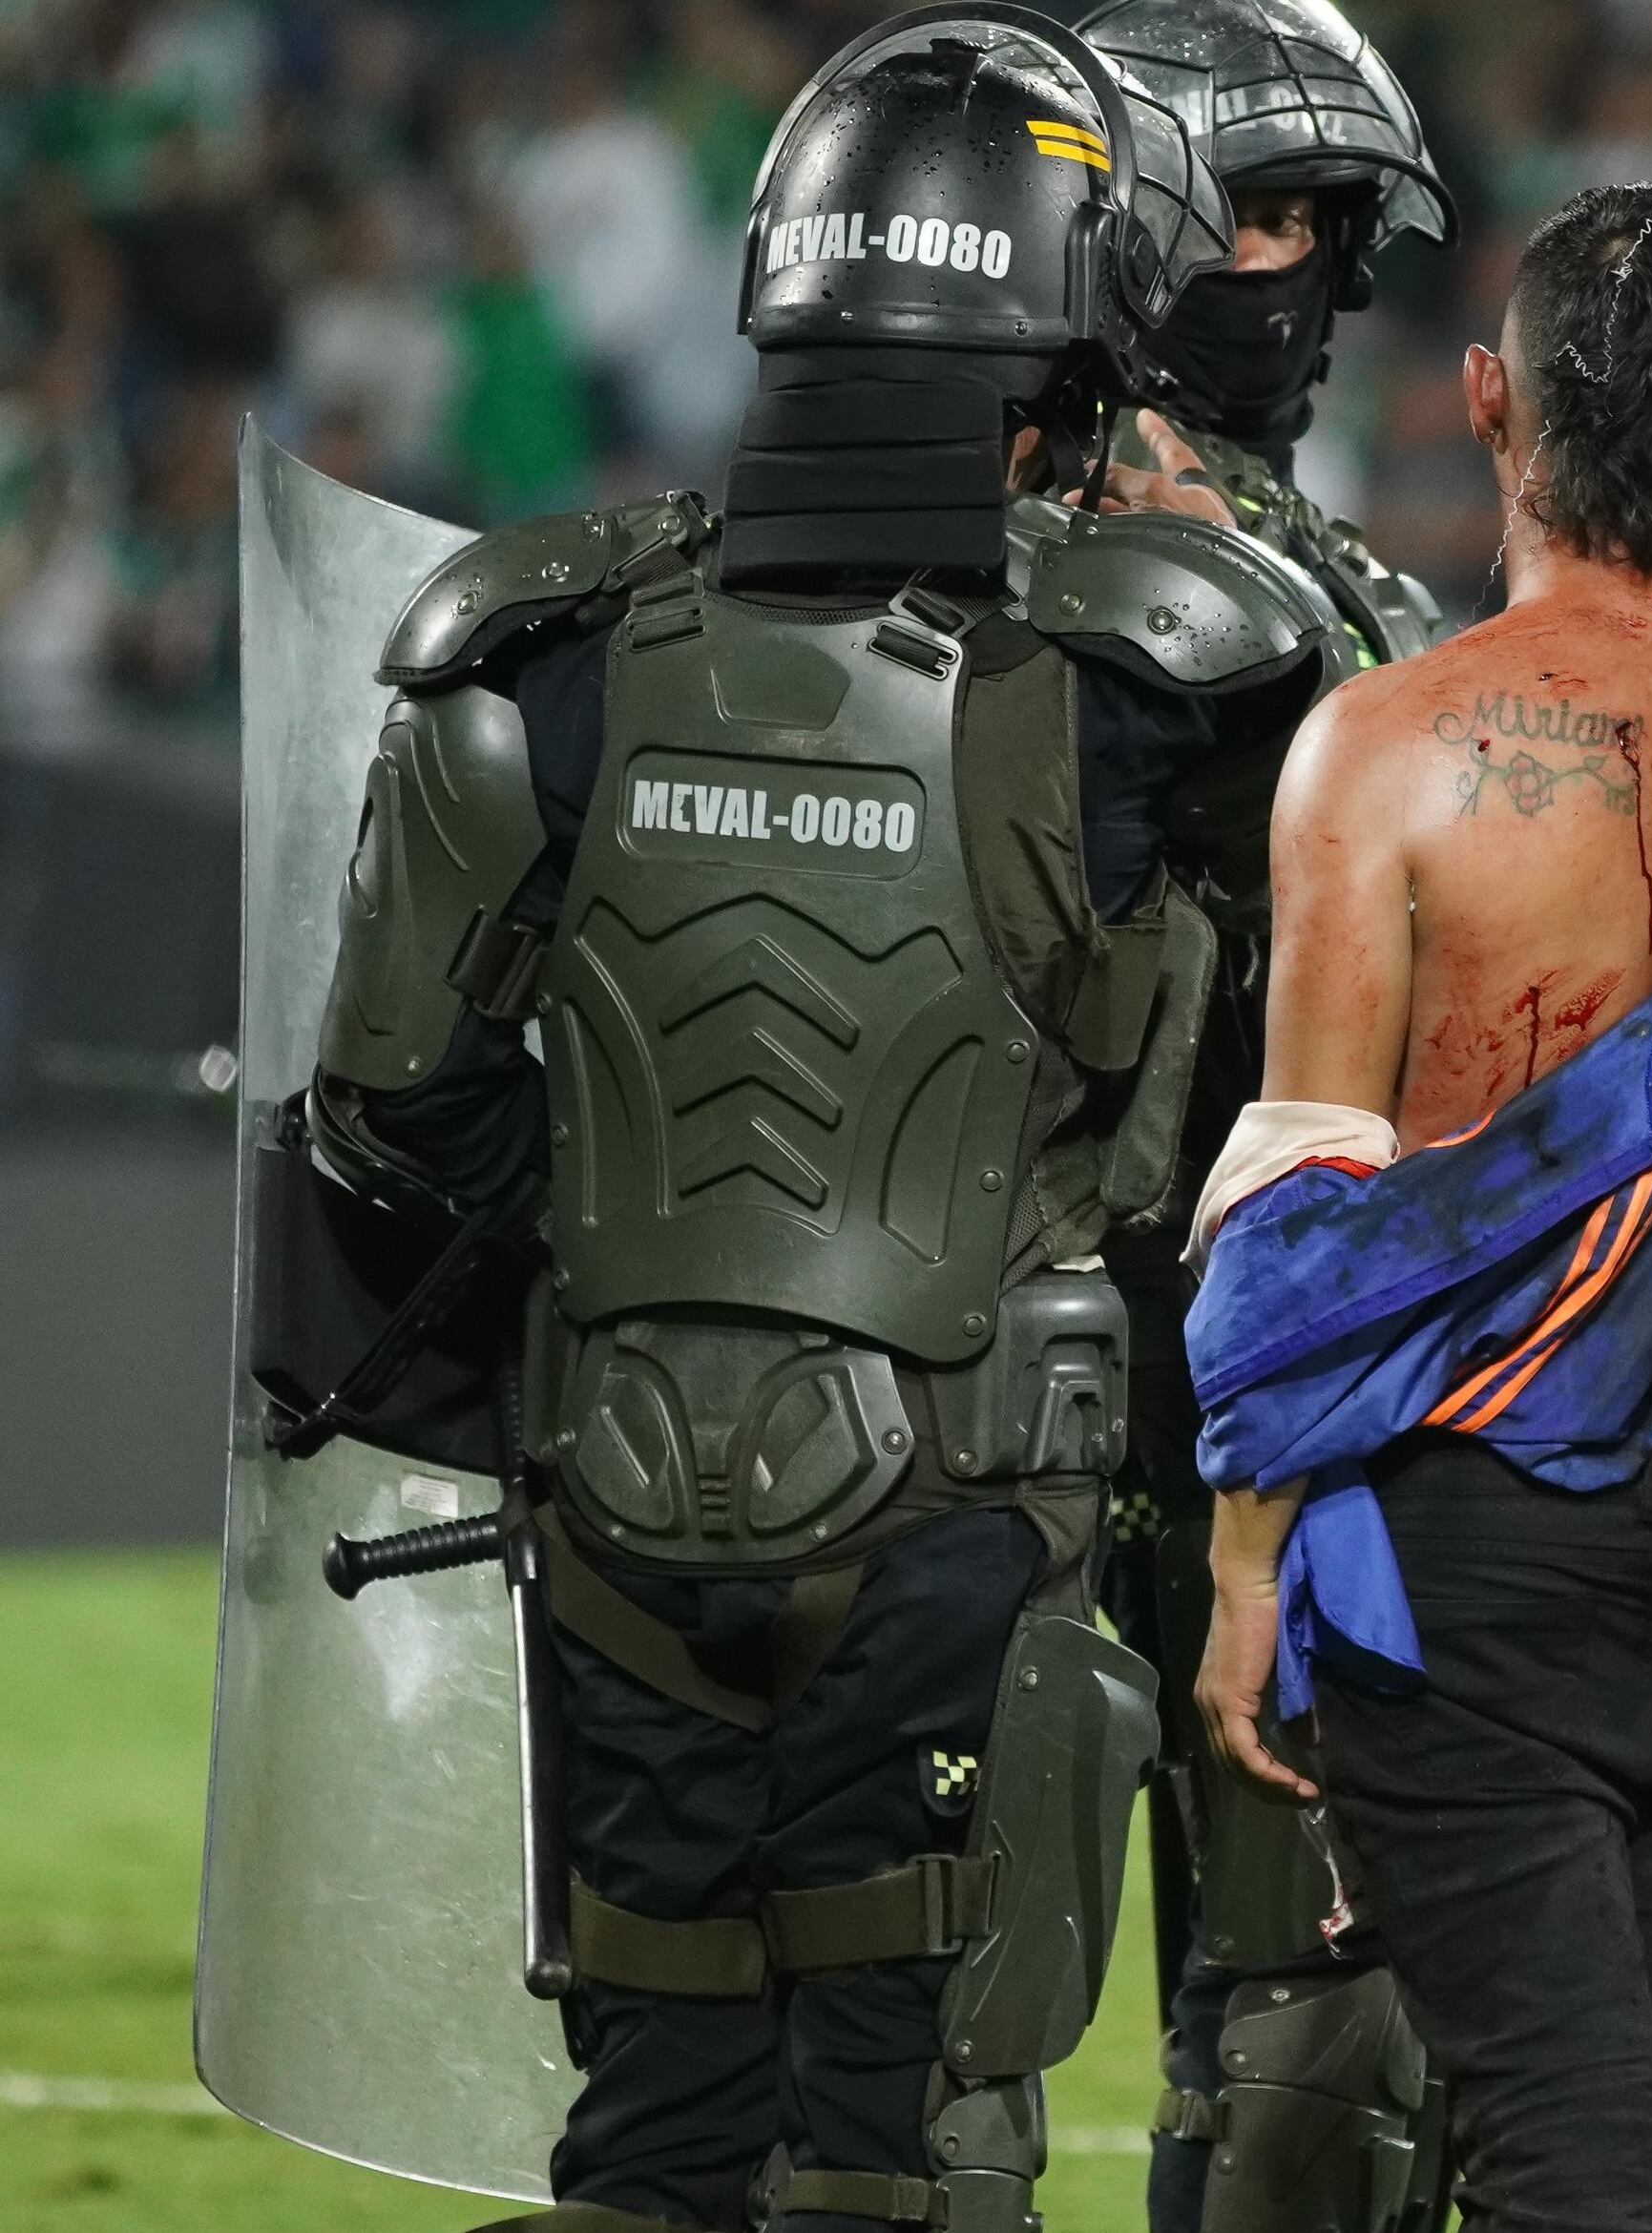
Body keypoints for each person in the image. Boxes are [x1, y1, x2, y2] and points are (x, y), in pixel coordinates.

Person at [293, 13, 1347, 2231]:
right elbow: (1309, 1080)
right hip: (975, 1501)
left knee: (653, 2125)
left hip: (619, 1499)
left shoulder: (533, 646)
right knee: (897, 2127)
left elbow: (396, 1114)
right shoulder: (1178, 671)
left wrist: (629, 1288)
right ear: (1072, 304)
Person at [1180, 181, 1652, 2233]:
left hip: (1469, 1544)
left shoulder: (1376, 750)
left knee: (1557, 2147)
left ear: (1481, 405)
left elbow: (1312, 1216)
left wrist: (1248, 1566)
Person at [1062, 7, 1461, 2226]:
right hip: (1040, 1399)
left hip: (1259, 1378)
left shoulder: (1320, 569)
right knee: (894, 2054)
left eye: (1330, 228)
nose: (1308, 278)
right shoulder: (990, 559)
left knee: (1324, 2025)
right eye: (1267, 217)